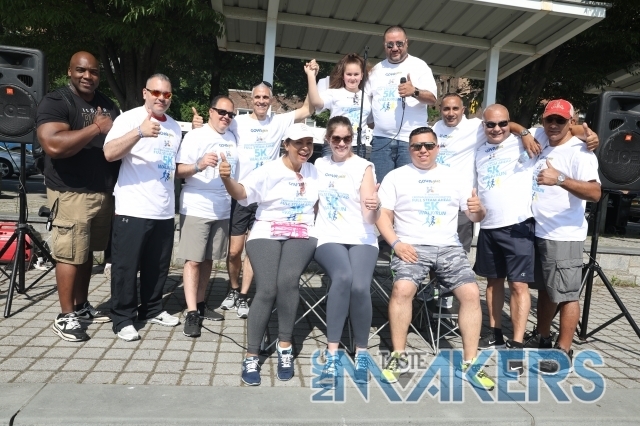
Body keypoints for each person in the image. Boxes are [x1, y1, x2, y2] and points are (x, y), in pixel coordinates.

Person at [376, 127, 495, 390]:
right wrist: (396, 244)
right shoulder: (396, 177)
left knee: (471, 293)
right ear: (409, 149)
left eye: (429, 145)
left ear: (437, 148)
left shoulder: (455, 177)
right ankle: (398, 356)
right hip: (411, 246)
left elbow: (474, 215)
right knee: (402, 289)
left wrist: (479, 211)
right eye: (417, 146)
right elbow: (383, 215)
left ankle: (470, 363)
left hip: (449, 247)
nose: (423, 150)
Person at [193, 80, 314, 319]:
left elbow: (308, 108)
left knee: (253, 248)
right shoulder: (238, 122)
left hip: (266, 197)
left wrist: (310, 76)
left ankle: (243, 295)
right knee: (234, 251)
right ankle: (233, 288)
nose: (261, 101)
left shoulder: (279, 122)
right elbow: (217, 126)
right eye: (257, 97)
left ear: (271, 100)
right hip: (242, 193)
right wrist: (199, 125)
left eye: (265, 97)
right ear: (251, 99)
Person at [219, 123, 319, 386]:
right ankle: (252, 355)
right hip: (267, 230)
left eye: (309, 143)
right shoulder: (269, 170)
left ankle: (284, 346)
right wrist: (226, 179)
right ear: (286, 145)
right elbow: (242, 193)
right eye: (299, 143)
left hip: (301, 232)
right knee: (266, 288)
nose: (305, 148)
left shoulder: (315, 171)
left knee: (287, 281)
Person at [36, 51, 119, 342]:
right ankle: (65, 315)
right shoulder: (57, 101)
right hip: (70, 192)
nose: (88, 76)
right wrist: (96, 128)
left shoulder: (107, 104)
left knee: (85, 253)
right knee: (69, 254)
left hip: (101, 192)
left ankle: (81, 306)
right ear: (70, 71)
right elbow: (53, 144)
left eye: (93, 71)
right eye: (81, 70)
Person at [104, 74, 183, 342]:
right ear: (145, 93)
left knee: (157, 266)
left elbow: (172, 166)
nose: (161, 98)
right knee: (126, 267)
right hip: (133, 207)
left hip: (163, 209)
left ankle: (152, 309)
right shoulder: (129, 118)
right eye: (156, 92)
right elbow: (109, 153)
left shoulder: (175, 127)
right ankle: (122, 318)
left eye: (167, 94)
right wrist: (140, 131)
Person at [531, 99, 601, 374]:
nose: (554, 125)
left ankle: (564, 349)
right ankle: (542, 337)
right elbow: (510, 125)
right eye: (549, 119)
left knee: (567, 294)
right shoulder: (541, 137)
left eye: (560, 120)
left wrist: (559, 179)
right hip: (538, 229)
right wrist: (523, 133)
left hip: (563, 234)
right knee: (548, 290)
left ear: (571, 122)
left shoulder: (580, 152)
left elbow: (595, 193)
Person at [312, 116, 380, 388]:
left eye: (347, 139)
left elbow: (369, 217)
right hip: (328, 236)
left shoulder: (364, 166)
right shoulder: (319, 165)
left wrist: (374, 206)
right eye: (336, 138)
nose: (341, 143)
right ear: (328, 139)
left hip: (361, 236)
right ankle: (332, 354)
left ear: (353, 139)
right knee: (342, 277)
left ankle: (361, 352)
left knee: (360, 286)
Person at [473, 104, 535, 375]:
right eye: (491, 124)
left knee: (519, 285)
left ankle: (517, 344)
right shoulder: (478, 148)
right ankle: (495, 332)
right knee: (493, 282)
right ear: (483, 125)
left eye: (503, 123)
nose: (497, 129)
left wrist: (524, 132)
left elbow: (569, 130)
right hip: (488, 226)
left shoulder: (523, 142)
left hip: (517, 225)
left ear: (510, 123)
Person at [175, 95, 239, 337]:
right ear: (211, 111)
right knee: (193, 260)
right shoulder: (195, 136)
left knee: (209, 259)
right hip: (197, 206)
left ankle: (200, 304)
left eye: (231, 114)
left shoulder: (232, 138)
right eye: (222, 112)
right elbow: (178, 171)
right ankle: (191, 313)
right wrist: (199, 165)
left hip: (222, 207)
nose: (226, 117)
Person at [366, 25, 438, 182]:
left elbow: (433, 98)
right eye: (390, 45)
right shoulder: (376, 70)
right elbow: (367, 103)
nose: (395, 48)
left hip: (411, 140)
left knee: (408, 187)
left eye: (399, 43)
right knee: (381, 186)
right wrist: (376, 123)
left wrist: (415, 92)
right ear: (384, 45)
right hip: (381, 140)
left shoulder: (419, 66)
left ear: (407, 43)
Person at [305, 54, 371, 157]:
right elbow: (316, 102)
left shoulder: (368, 97)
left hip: (358, 146)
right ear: (343, 76)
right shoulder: (334, 93)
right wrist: (311, 76)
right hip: (334, 144)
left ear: (362, 76)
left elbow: (372, 122)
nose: (352, 78)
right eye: (349, 74)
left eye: (356, 74)